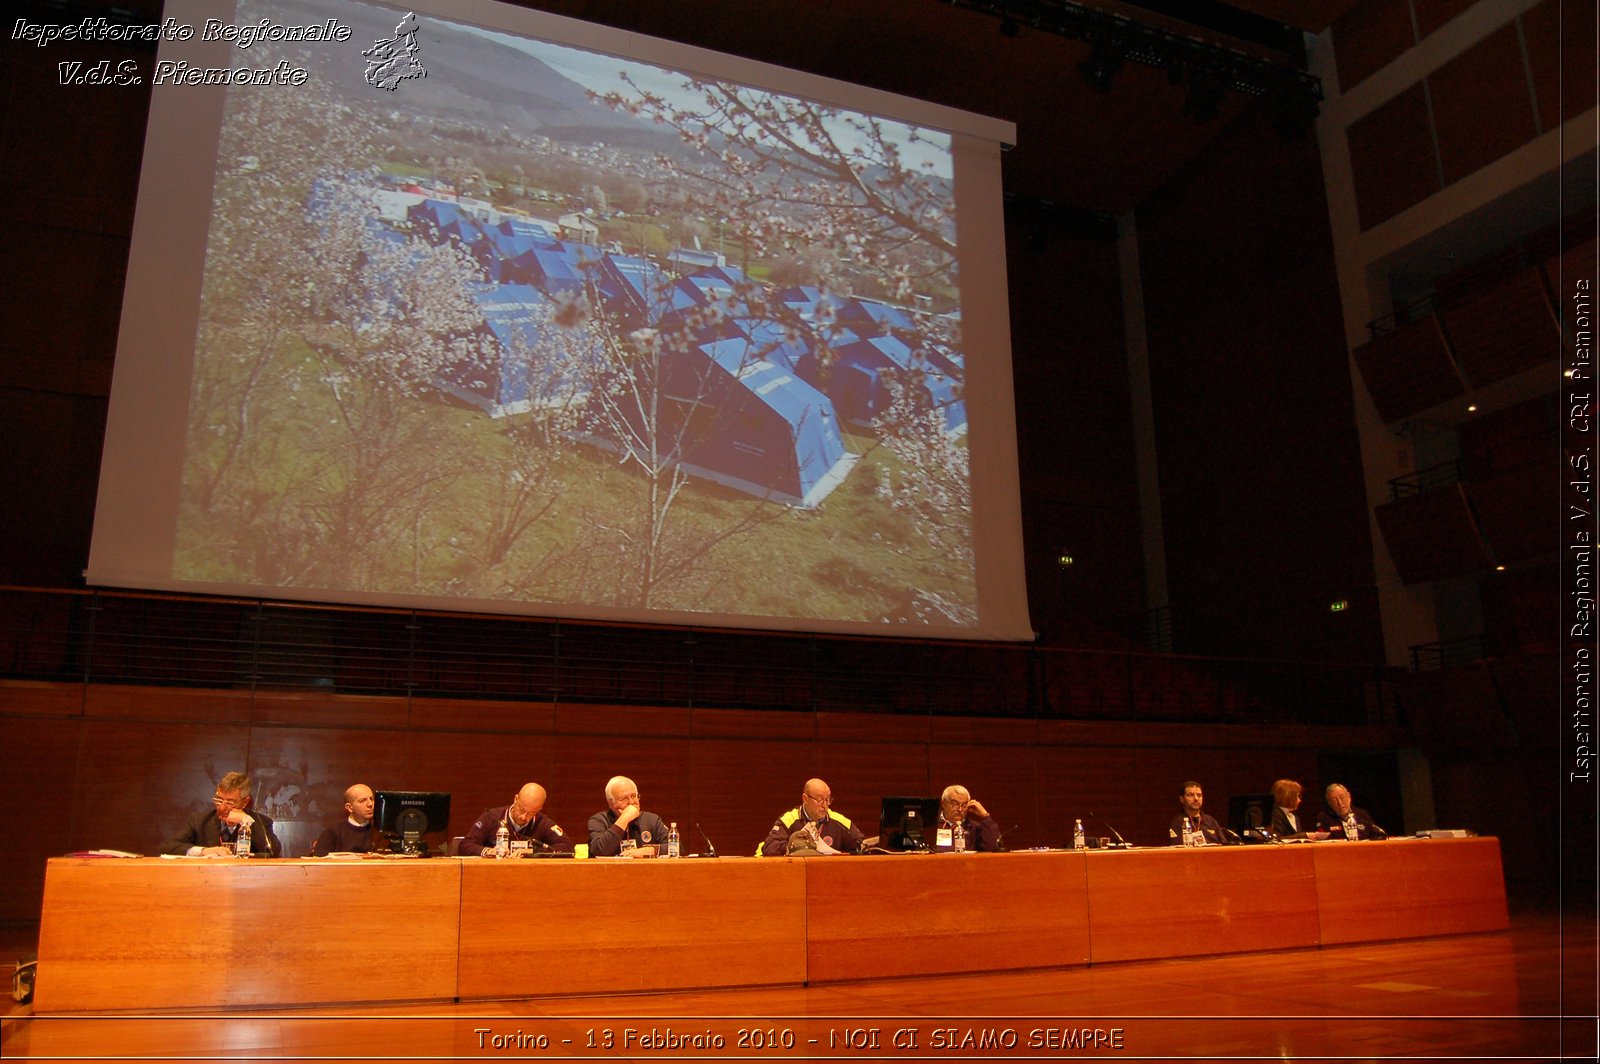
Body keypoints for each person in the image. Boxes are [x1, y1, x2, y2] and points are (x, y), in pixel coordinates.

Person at [160, 770, 281, 857]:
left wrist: (246, 821)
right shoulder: (199, 821)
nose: (222, 807)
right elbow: (167, 846)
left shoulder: (261, 822)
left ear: (245, 802)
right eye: (218, 800)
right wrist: (202, 851)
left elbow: (272, 851)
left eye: (230, 802)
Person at [462, 782, 574, 856]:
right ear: (516, 799)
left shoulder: (543, 823)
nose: (524, 817)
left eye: (531, 813)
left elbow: (567, 847)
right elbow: (465, 845)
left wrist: (533, 853)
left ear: (540, 809)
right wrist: (488, 851)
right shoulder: (491, 817)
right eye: (521, 809)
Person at [759, 778, 864, 856]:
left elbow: (862, 844)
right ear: (805, 799)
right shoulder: (790, 819)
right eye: (819, 800)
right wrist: (794, 847)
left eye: (828, 800)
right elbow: (769, 847)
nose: (825, 805)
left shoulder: (838, 820)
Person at [587, 776, 671, 857]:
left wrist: (650, 850)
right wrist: (624, 819)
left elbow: (676, 848)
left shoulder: (652, 820)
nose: (631, 802)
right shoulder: (598, 820)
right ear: (611, 803)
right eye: (623, 799)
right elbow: (599, 851)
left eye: (634, 796)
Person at [310, 783, 376, 855]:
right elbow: (319, 863)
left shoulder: (380, 833)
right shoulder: (332, 833)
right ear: (349, 807)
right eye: (362, 800)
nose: (370, 804)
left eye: (372, 799)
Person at [936, 784, 1001, 851]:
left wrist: (985, 816)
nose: (960, 809)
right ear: (943, 803)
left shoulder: (974, 827)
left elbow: (994, 847)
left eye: (964, 805)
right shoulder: (933, 827)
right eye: (955, 804)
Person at [1168, 780, 1231, 845]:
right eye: (1190, 795)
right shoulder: (1178, 822)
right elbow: (1178, 849)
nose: (1196, 798)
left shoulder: (1210, 821)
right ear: (1182, 799)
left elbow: (1224, 844)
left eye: (1199, 795)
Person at [1315, 783, 1387, 840]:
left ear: (1349, 796)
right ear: (1329, 803)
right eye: (1334, 800)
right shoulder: (1323, 817)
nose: (1340, 803)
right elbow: (1320, 839)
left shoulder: (1361, 814)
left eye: (1342, 797)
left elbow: (1376, 834)